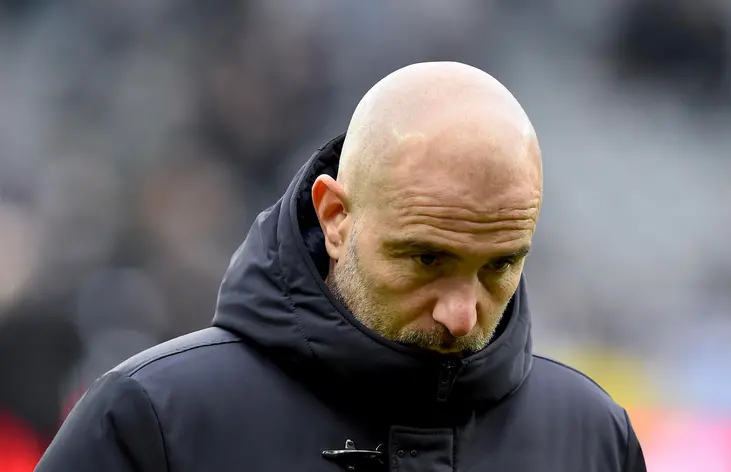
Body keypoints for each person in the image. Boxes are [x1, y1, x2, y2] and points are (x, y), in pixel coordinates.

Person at [35, 62, 647, 472]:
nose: (461, 315)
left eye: (499, 266)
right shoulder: (152, 422)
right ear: (334, 216)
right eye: (427, 258)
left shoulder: (594, 439)